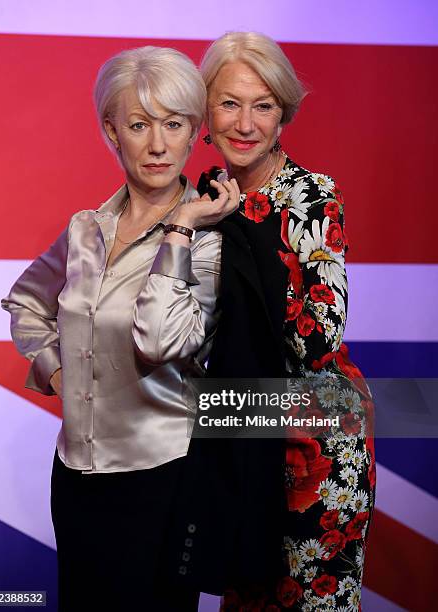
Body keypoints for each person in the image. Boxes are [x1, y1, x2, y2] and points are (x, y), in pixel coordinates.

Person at [1, 46, 239, 612]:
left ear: (193, 133)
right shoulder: (87, 229)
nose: (157, 145)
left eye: (174, 125)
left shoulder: (210, 241)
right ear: (112, 131)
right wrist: (56, 372)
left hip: (161, 481)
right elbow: (25, 304)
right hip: (76, 477)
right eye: (139, 125)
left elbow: (160, 342)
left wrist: (180, 226)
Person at [197, 32, 376, 611]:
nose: (245, 123)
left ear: (283, 114)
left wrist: (251, 235)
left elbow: (320, 337)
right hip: (237, 434)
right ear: (204, 110)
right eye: (229, 103)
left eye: (264, 104)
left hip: (315, 444)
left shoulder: (312, 197)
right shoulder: (200, 201)